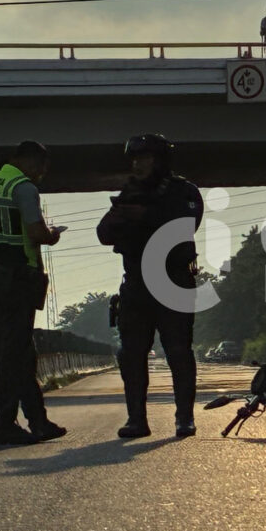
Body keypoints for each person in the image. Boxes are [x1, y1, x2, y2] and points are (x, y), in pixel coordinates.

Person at [97, 134, 204, 438]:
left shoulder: (184, 191)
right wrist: (124, 215)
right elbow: (104, 232)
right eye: (135, 159)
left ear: (160, 161)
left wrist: (143, 217)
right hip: (137, 285)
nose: (138, 164)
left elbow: (184, 226)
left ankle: (184, 418)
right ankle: (136, 419)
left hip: (173, 281)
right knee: (131, 354)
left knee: (179, 352)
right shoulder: (128, 192)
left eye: (145, 158)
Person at [0, 141, 67, 445]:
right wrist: (53, 235)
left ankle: (38, 422)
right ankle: (3, 423)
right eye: (42, 168)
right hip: (18, 276)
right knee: (14, 355)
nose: (42, 174)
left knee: (21, 351)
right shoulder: (23, 186)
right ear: (33, 162)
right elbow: (36, 232)